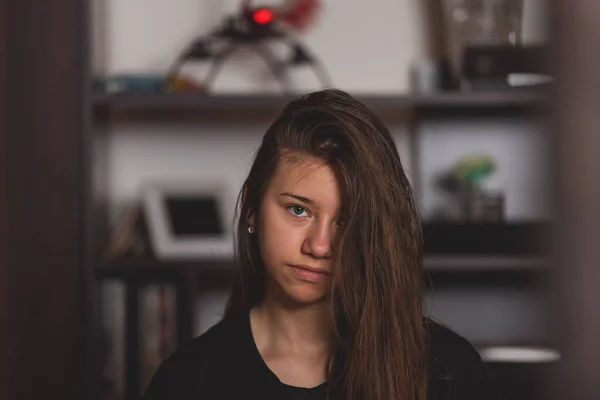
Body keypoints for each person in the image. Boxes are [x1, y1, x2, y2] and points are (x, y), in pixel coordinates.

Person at [142, 89, 497, 400]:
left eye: (345, 221)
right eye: (298, 210)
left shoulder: (447, 370)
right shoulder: (187, 382)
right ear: (252, 209)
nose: (320, 246)